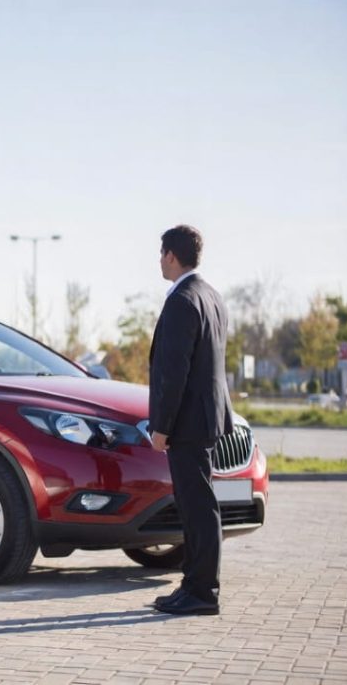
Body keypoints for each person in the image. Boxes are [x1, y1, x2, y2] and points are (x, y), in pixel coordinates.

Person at [149, 225, 234, 616]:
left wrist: (161, 426)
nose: (159, 260)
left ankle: (201, 591)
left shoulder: (183, 300)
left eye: (160, 253)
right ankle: (194, 585)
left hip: (186, 423)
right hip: (208, 417)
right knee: (199, 504)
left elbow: (175, 371)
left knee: (197, 506)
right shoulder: (211, 296)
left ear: (170, 255)